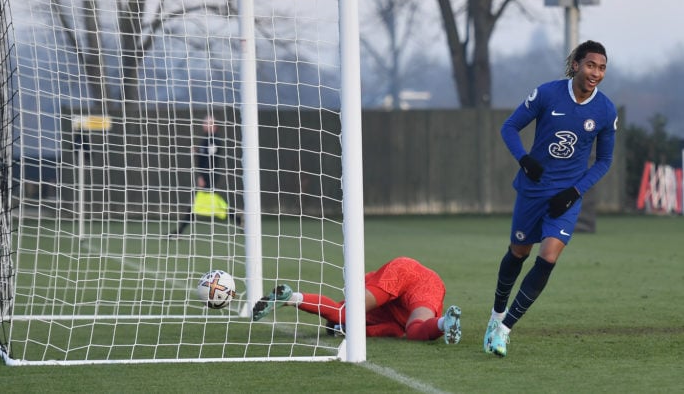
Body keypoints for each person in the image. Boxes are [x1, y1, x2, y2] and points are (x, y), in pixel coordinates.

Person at [483, 40, 617, 357]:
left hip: (566, 198)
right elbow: (509, 127)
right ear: (576, 65)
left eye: (601, 67)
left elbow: (604, 161)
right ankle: (496, 315)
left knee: (549, 257)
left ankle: (504, 331)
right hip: (532, 191)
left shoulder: (605, 110)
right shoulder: (546, 93)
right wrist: (524, 159)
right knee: (518, 253)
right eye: (590, 65)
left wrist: (574, 191)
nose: (596, 72)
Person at [252, 256, 462, 344]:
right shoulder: (385, 324)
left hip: (405, 277)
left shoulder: (382, 322)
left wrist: (343, 328)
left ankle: (444, 322)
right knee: (411, 328)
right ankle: (444, 322)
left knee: (409, 329)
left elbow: (360, 323)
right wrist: (343, 329)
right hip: (424, 283)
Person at [170, 115, 238, 235]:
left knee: (196, 205)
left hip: (210, 176)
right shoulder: (207, 139)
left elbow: (210, 161)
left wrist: (203, 176)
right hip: (207, 175)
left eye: (207, 123)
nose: (204, 125)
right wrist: (197, 151)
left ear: (214, 126)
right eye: (204, 123)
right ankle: (238, 219)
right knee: (210, 203)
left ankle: (179, 232)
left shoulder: (214, 140)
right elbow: (204, 155)